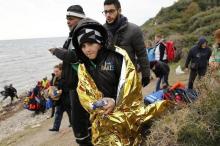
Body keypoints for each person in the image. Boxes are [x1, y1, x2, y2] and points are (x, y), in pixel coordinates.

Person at [72, 18, 167, 146]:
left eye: (90, 43)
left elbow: (131, 87)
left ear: (99, 42)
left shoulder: (117, 57)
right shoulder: (84, 66)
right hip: (102, 121)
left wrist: (115, 102)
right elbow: (84, 94)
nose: (87, 49)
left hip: (123, 118)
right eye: (82, 46)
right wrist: (96, 105)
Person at [48, 5, 92, 145]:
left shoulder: (82, 32)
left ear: (80, 18)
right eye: (67, 18)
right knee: (82, 120)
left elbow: (74, 56)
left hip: (80, 85)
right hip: (74, 85)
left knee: (79, 122)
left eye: (71, 18)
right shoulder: (75, 33)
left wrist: (56, 51)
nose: (68, 21)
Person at [103, 0, 150, 87]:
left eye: (111, 11)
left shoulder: (134, 30)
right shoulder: (102, 30)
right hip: (108, 79)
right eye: (105, 12)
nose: (108, 15)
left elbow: (142, 54)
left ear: (119, 10)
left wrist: (146, 74)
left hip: (129, 78)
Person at [49, 63, 72, 132]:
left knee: (70, 112)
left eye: (57, 71)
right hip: (59, 100)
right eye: (54, 71)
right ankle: (55, 127)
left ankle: (72, 123)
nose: (55, 73)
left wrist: (61, 91)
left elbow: (67, 89)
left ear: (61, 71)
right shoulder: (54, 79)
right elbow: (52, 87)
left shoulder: (65, 78)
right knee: (58, 113)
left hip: (66, 99)